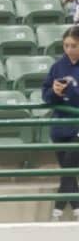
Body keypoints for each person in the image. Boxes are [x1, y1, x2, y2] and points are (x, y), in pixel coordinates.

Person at [42, 26, 79, 220]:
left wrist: (70, 91)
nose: (69, 49)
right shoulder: (57, 66)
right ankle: (73, 209)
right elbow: (46, 95)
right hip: (59, 126)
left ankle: (59, 210)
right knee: (68, 170)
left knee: (69, 167)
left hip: (77, 127)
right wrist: (54, 93)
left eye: (73, 45)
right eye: (66, 45)